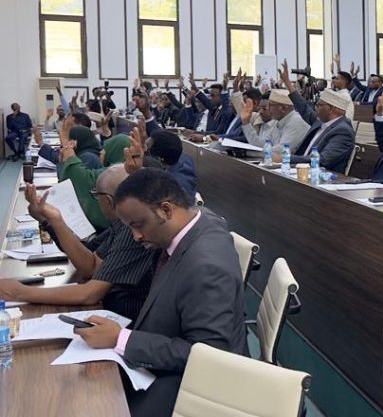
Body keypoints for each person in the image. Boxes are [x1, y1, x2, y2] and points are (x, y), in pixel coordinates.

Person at [73, 169, 245, 417]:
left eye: (139, 225)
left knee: (94, 401)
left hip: (198, 386)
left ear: (166, 210)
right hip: (165, 354)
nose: (136, 236)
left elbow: (209, 354)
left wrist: (122, 339)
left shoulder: (206, 266)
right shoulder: (195, 221)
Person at [0, 167, 156, 320]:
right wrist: (53, 220)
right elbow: (90, 264)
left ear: (108, 201)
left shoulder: (132, 232)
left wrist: (19, 292)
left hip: (128, 320)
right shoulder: (121, 225)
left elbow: (90, 293)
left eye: (96, 195)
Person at [61, 129, 132, 232]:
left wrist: (69, 153)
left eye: (106, 149)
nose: (101, 152)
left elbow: (83, 177)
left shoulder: (118, 173)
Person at [288, 89, 355, 173]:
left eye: (318, 105)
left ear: (330, 109)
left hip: (321, 176)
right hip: (299, 170)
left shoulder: (343, 132)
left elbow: (322, 160)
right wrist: (289, 85)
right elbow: (304, 109)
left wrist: (286, 158)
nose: (315, 108)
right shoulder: (321, 121)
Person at [146, 130, 197, 199]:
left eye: (147, 150)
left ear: (159, 159)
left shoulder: (176, 188)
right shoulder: (177, 156)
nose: (143, 151)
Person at [35, 124, 102, 169]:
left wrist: (64, 159)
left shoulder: (88, 157)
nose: (68, 142)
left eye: (69, 139)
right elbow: (56, 156)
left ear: (76, 140)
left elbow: (67, 176)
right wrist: (41, 143)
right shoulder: (82, 152)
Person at [265, 88, 311, 152]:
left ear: (283, 108)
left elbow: (282, 150)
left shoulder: (297, 122)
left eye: (271, 105)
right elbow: (265, 143)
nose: (267, 108)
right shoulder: (276, 121)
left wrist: (259, 152)